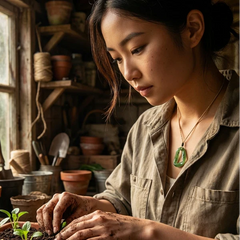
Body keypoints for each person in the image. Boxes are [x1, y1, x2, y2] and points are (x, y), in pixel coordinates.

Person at [36, 0, 240, 239]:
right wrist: (90, 206)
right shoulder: (145, 127)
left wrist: (148, 231)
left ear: (192, 30)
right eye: (117, 59)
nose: (128, 73)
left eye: (136, 49)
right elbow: (122, 199)